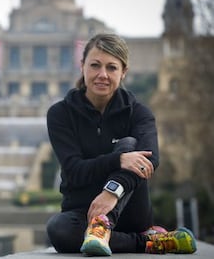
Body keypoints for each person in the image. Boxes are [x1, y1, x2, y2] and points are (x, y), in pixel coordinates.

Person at [45, 33, 197, 256]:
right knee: (58, 230)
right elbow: (73, 170)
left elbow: (151, 159)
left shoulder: (138, 112)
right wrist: (118, 160)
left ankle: (103, 226)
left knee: (130, 144)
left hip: (131, 212)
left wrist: (112, 192)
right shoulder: (60, 114)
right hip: (82, 211)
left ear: (123, 72)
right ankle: (147, 242)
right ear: (82, 66)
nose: (102, 75)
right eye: (95, 65)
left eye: (112, 68)